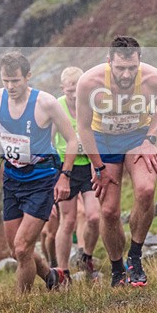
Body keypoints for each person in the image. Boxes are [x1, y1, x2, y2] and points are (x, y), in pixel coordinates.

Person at [0, 51, 78, 293]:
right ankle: (53, 277)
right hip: (12, 179)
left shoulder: (45, 103)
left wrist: (65, 176)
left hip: (41, 179)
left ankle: (22, 307)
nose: (10, 86)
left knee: (21, 247)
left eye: (15, 81)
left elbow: (71, 140)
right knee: (18, 251)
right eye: (5, 81)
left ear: (28, 76)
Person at [76, 36, 157, 287]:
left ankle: (135, 257)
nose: (126, 74)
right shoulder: (89, 83)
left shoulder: (155, 79)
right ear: (109, 62)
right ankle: (117, 269)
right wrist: (98, 167)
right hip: (103, 141)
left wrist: (151, 139)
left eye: (132, 68)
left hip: (137, 137)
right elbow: (83, 128)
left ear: (140, 61)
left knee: (146, 189)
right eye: (120, 68)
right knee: (108, 211)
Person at [52, 66, 101, 280]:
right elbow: (48, 140)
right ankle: (63, 272)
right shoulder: (56, 107)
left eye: (77, 89)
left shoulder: (92, 104)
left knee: (94, 216)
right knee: (69, 220)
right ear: (62, 88)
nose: (73, 94)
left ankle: (86, 255)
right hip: (66, 168)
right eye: (69, 90)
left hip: (89, 165)